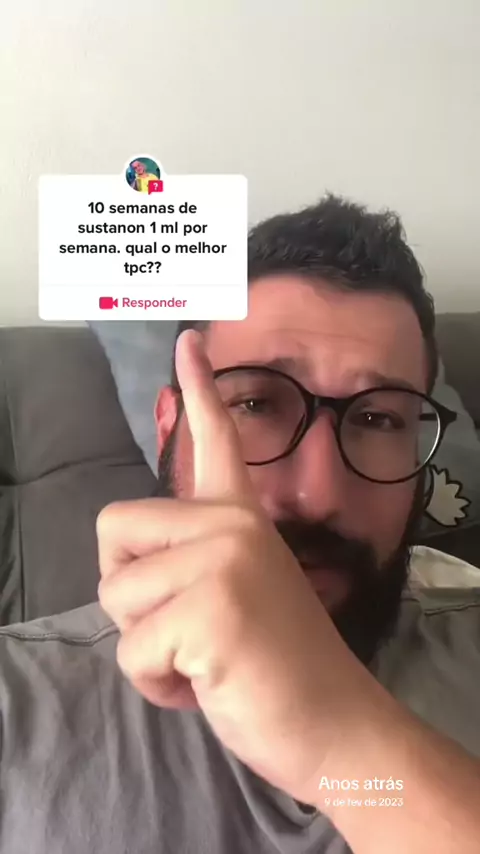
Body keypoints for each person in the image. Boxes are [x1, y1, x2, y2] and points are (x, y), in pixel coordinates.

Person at [1, 195, 479, 854]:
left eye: (378, 419)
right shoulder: (16, 704)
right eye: (256, 403)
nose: (318, 494)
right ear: (169, 427)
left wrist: (343, 747)